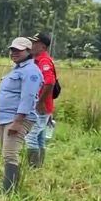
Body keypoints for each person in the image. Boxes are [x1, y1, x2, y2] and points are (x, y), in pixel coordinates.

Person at [0, 37, 43, 194]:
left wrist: (18, 122)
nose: (14, 53)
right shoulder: (17, 70)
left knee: (10, 155)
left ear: (29, 51)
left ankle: (9, 192)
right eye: (12, 50)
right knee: (6, 154)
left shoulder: (31, 72)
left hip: (17, 118)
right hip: (5, 118)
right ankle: (9, 189)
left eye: (18, 50)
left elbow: (27, 97)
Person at [26, 32, 58, 168]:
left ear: (43, 46)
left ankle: (33, 167)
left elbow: (50, 82)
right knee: (39, 136)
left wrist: (40, 102)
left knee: (30, 136)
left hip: (41, 106)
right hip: (41, 105)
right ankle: (39, 166)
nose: (31, 45)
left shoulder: (44, 61)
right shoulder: (36, 60)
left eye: (35, 43)